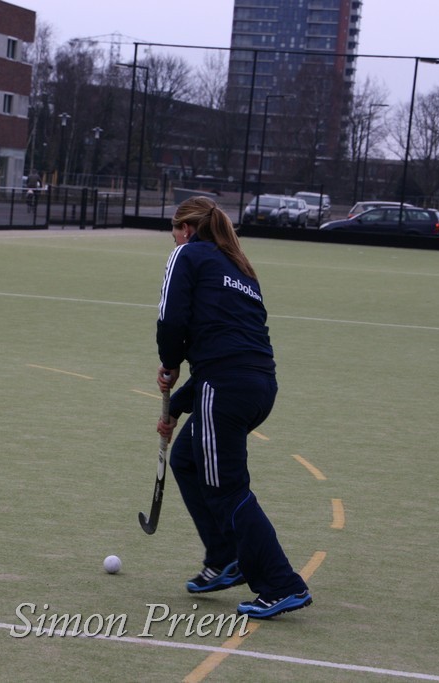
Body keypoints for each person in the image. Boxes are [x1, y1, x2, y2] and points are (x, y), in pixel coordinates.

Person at [155, 195, 312, 619]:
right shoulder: (240, 268)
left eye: (174, 231)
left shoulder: (187, 255)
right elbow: (228, 348)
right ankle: (225, 556)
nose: (174, 239)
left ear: (187, 229)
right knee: (187, 458)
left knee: (227, 488)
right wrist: (178, 406)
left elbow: (171, 319)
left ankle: (281, 583)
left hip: (224, 387)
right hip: (258, 386)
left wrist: (170, 363)